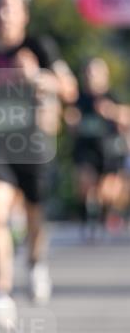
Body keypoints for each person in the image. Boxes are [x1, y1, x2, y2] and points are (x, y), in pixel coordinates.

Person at [0, 0, 77, 327]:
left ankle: (35, 263)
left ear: (23, 15)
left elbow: (69, 88)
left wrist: (39, 79)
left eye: (10, 9)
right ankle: (1, 295)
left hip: (33, 144)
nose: (3, 16)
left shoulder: (40, 47)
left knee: (34, 215)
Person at [65, 57, 130, 235]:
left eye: (95, 73)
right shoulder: (79, 99)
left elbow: (126, 117)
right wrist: (72, 122)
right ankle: (88, 216)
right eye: (88, 73)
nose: (91, 77)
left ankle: (105, 213)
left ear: (105, 75)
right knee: (85, 182)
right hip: (86, 148)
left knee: (108, 192)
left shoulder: (113, 96)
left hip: (110, 149)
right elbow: (70, 120)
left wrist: (112, 112)